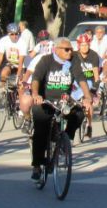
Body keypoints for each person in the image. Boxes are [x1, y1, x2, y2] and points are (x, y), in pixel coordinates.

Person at [29, 37, 90, 180]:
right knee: (41, 130)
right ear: (57, 50)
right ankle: (37, 165)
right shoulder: (46, 60)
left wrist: (87, 97)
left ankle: (66, 139)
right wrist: (36, 94)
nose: (70, 52)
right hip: (46, 101)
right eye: (66, 49)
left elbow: (81, 78)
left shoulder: (73, 61)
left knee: (79, 114)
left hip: (64, 101)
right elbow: (36, 78)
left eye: (71, 49)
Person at [69, 33, 100, 138]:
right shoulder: (73, 55)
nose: (84, 47)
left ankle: (89, 125)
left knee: (88, 101)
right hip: (76, 81)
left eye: (86, 44)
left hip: (89, 82)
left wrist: (94, 89)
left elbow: (96, 75)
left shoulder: (94, 55)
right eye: (82, 45)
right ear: (78, 45)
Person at [0, 23, 26, 89]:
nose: (14, 36)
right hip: (11, 64)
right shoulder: (3, 40)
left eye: (16, 34)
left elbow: (21, 60)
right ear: (8, 33)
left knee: (20, 85)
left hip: (22, 65)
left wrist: (18, 74)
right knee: (3, 73)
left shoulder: (22, 42)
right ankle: (4, 91)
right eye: (12, 34)